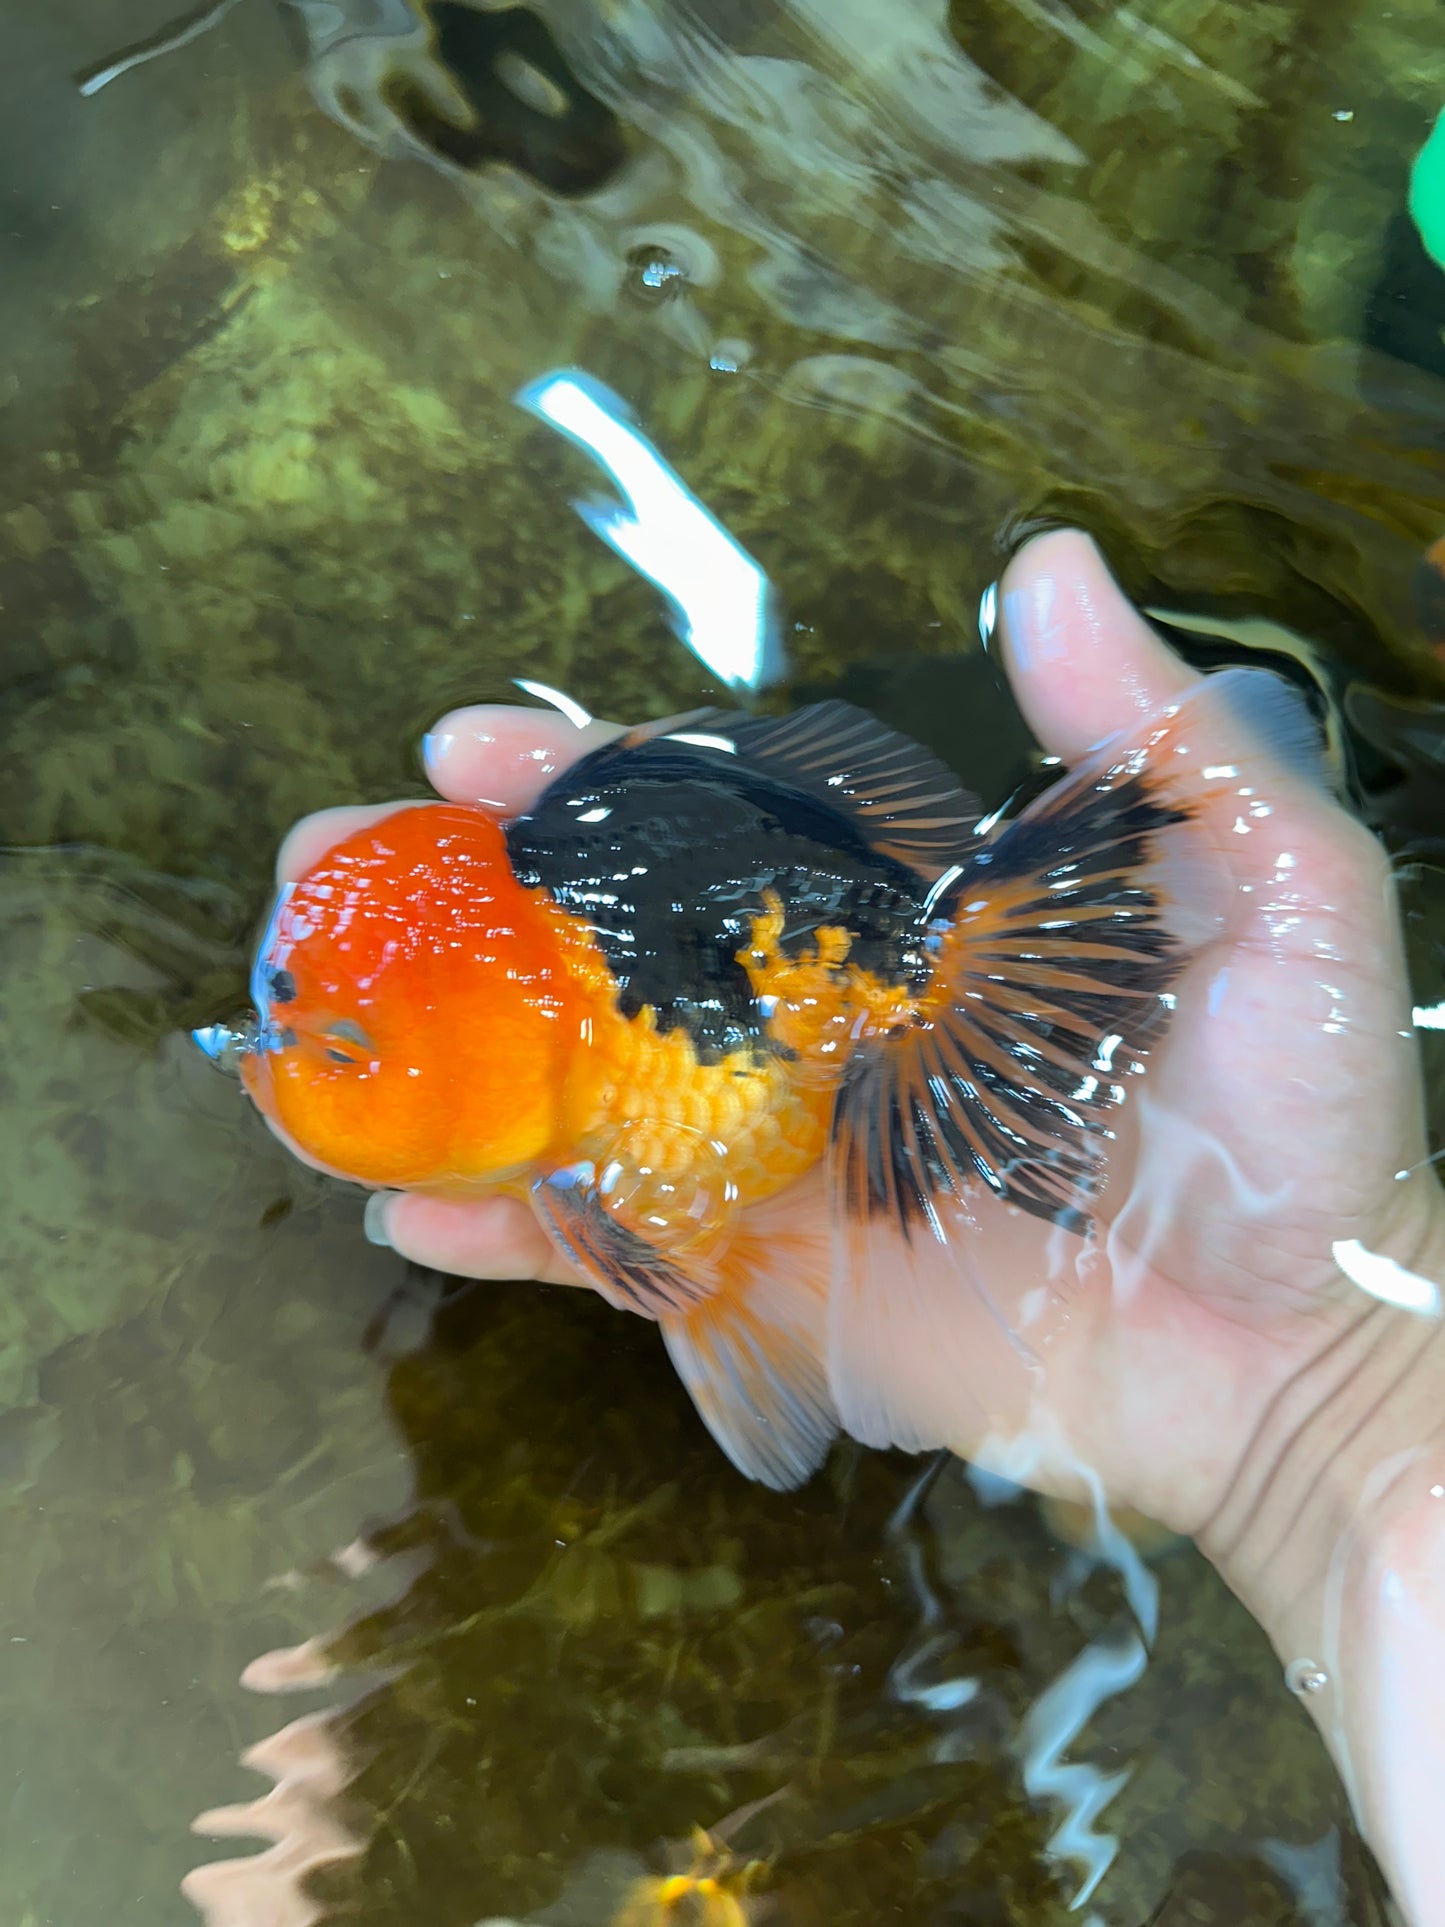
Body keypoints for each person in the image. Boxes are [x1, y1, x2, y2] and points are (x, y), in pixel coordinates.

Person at [275, 531, 1445, 1924]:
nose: (287, 1052)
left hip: (831, 983)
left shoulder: (628, 1044)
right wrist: (1354, 1405)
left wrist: (1347, 1410)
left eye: (342, 1043)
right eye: (302, 1021)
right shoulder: (568, 1123)